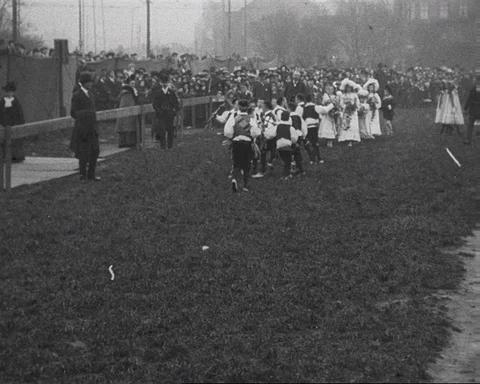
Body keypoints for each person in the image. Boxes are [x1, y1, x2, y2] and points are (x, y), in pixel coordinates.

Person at [223, 99, 261, 192]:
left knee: (237, 163)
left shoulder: (234, 118)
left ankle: (234, 179)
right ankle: (245, 185)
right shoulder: (251, 119)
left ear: (239, 107)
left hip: (236, 142)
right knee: (246, 164)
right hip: (247, 143)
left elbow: (227, 132)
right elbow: (255, 132)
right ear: (247, 107)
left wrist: (233, 136)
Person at [69, 72, 100, 182]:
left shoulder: (91, 94)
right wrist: (86, 114)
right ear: (84, 83)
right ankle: (83, 175)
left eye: (91, 82)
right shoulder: (77, 95)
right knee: (83, 152)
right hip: (82, 128)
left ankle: (91, 174)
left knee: (95, 150)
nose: (91, 84)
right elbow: (73, 112)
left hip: (92, 127)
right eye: (89, 82)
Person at [264, 110, 299, 180]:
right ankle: (285, 175)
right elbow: (294, 139)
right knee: (288, 161)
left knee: (285, 160)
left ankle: (287, 173)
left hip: (279, 146)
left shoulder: (277, 127)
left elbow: (270, 135)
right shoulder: (291, 128)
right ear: (289, 118)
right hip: (287, 145)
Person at [151, 72, 180, 150]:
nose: (164, 84)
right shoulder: (158, 93)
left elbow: (176, 103)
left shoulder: (172, 92)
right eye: (163, 83)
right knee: (162, 130)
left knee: (170, 130)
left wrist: (174, 109)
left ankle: (170, 146)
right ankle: (163, 146)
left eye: (166, 83)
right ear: (161, 83)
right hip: (161, 114)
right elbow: (155, 104)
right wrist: (159, 110)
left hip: (170, 114)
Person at [0, 81, 25, 162]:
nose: (8, 93)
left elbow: (19, 114)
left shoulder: (15, 102)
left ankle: (16, 157)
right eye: (7, 91)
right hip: (5, 125)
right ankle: (6, 157)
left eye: (10, 91)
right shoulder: (3, 101)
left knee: (15, 142)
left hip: (14, 124)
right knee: (5, 142)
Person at [116, 75, 139, 148]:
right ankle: (128, 142)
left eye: (134, 83)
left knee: (127, 125)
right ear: (128, 84)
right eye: (132, 83)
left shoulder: (129, 91)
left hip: (128, 111)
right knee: (128, 125)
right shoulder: (127, 92)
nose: (133, 85)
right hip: (128, 111)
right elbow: (129, 103)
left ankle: (127, 142)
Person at [338, 79, 361, 148]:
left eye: (349, 87)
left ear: (351, 88)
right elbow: (341, 103)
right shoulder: (343, 95)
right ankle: (346, 138)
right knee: (346, 124)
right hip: (346, 111)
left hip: (352, 112)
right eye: (347, 87)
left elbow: (357, 103)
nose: (348, 89)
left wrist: (353, 106)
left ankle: (352, 139)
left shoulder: (354, 95)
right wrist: (345, 106)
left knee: (352, 125)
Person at [463, 73, 480, 145]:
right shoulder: (474, 88)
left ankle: (468, 139)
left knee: (470, 125)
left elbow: (470, 98)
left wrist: (465, 108)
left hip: (474, 108)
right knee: (471, 124)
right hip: (476, 108)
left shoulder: (474, 88)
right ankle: (469, 139)